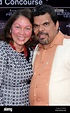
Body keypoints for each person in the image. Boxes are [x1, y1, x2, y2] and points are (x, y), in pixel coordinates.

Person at [29, 4, 70, 106]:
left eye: (45, 24)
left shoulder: (68, 46)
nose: (40, 30)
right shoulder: (37, 48)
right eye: (36, 26)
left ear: (56, 25)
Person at [0, 8, 34, 106]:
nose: (22, 32)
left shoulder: (32, 51)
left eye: (27, 28)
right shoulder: (2, 50)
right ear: (10, 28)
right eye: (18, 27)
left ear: (32, 31)